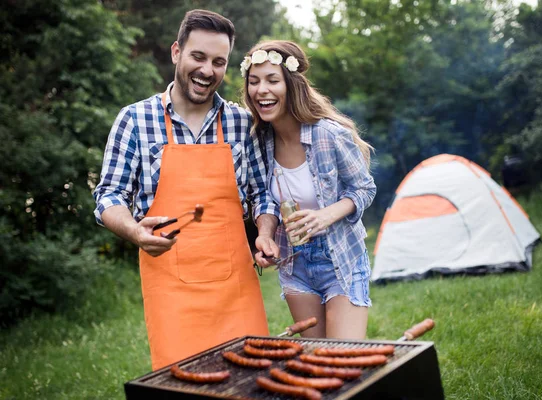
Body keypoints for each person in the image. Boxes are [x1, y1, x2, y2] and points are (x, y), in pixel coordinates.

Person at [93, 10, 279, 371]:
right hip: (170, 291)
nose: (207, 70)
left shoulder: (242, 122)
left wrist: (266, 232)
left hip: (235, 289)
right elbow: (109, 196)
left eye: (219, 61)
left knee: (251, 380)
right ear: (177, 52)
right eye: (198, 56)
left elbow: (262, 194)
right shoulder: (135, 120)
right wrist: (134, 230)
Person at [243, 40, 377, 339]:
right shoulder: (257, 142)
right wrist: (264, 236)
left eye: (272, 80)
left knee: (344, 362)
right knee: (318, 365)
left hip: (340, 259)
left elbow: (365, 189)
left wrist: (325, 215)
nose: (261, 90)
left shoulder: (328, 134)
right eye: (254, 82)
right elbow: (263, 199)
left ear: (291, 85)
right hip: (295, 265)